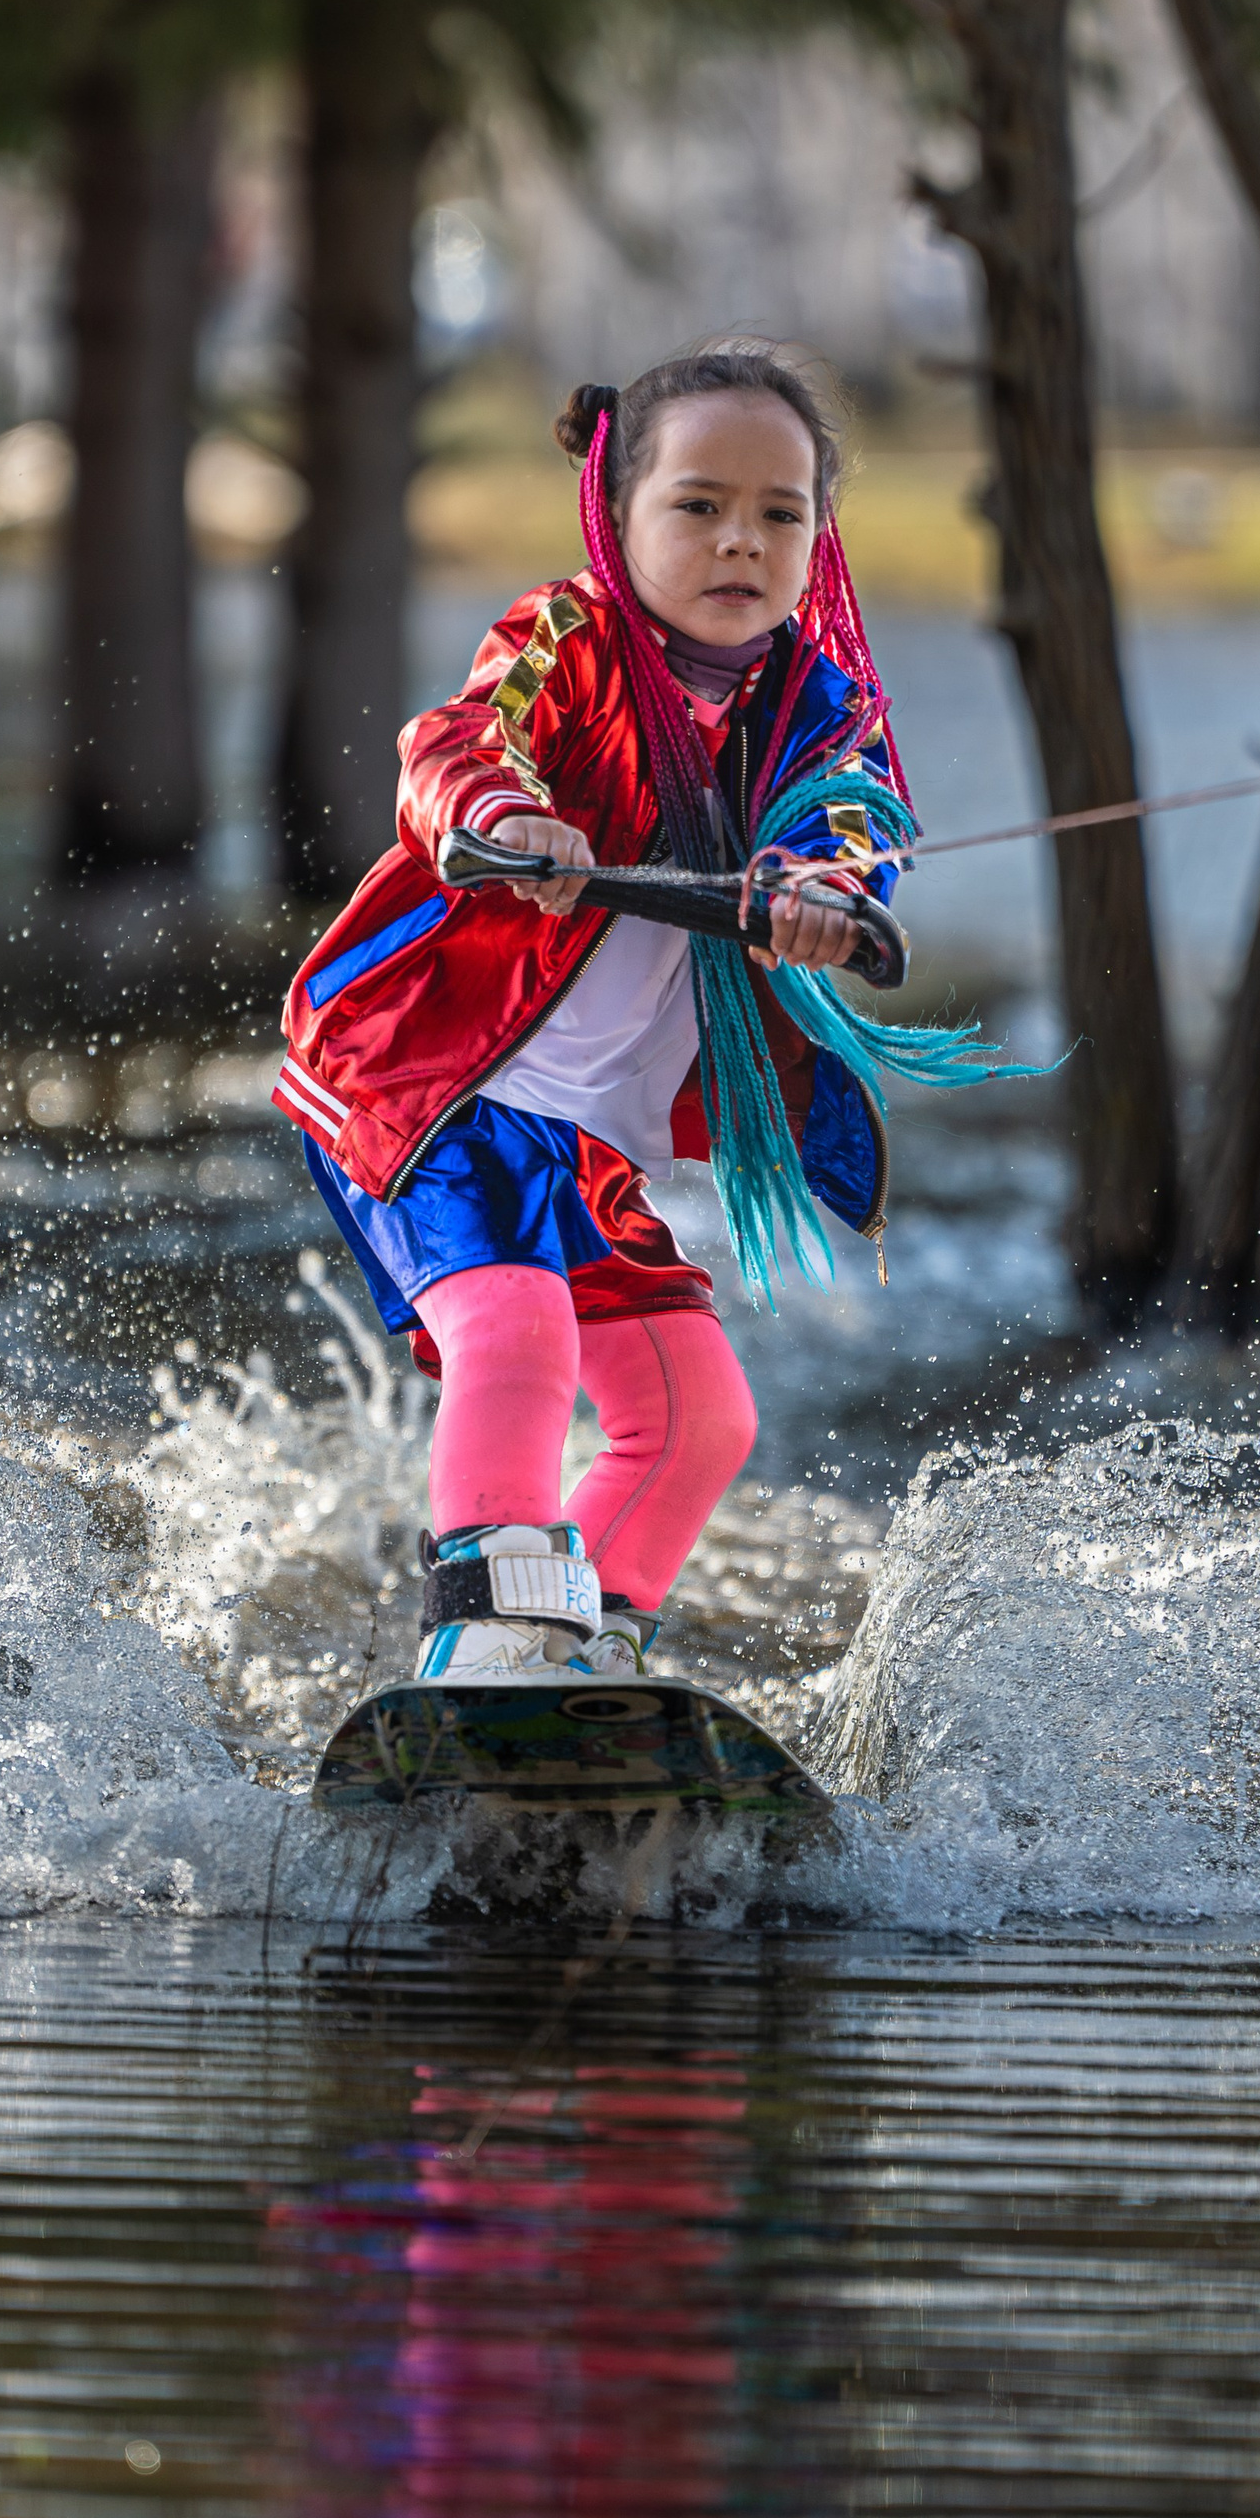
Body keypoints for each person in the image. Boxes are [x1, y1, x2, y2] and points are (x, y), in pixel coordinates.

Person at [274, 341, 919, 1686]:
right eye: (698, 504)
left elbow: (858, 820)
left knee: (700, 1421)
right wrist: (507, 816)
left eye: (780, 514)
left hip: (590, 1150)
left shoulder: (822, 712)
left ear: (819, 540)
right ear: (618, 519)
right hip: (432, 1089)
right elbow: (460, 740)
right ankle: (495, 1634)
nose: (741, 538)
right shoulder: (560, 642)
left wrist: (826, 891)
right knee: (517, 1337)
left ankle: (591, 1657)